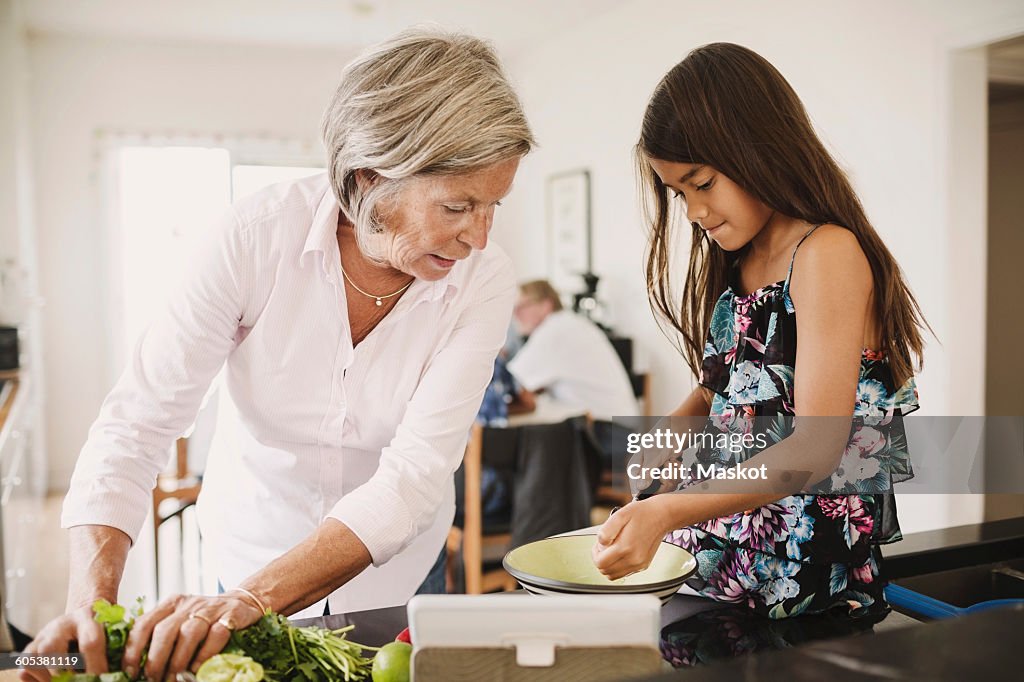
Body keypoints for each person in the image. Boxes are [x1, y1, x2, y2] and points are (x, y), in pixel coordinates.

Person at [23, 28, 533, 681]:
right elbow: (136, 424)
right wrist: (89, 606)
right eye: (458, 206)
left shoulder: (483, 280)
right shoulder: (253, 239)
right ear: (369, 176)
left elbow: (409, 479)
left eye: (494, 205)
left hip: (399, 576)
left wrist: (241, 605)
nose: (479, 235)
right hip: (250, 550)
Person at [593, 43, 929, 619]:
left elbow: (817, 446)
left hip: (800, 582)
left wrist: (669, 512)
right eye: (680, 194)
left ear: (757, 149)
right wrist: (667, 440)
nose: (695, 212)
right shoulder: (742, 259)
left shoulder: (827, 253)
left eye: (703, 183)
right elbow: (724, 385)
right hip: (722, 562)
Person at [507, 280, 638, 422]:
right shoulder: (569, 323)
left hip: (606, 431)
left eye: (522, 307)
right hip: (618, 426)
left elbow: (507, 381)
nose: (515, 314)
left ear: (546, 305)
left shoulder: (554, 331)